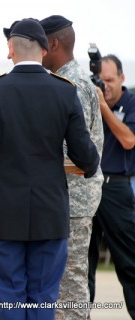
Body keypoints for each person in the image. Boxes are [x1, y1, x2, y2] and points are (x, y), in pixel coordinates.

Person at [0, 18, 100, 320]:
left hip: (4, 212)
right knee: (44, 296)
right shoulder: (64, 90)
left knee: (7, 295)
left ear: (10, 50)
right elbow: (86, 156)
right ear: (44, 50)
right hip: (50, 211)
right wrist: (89, 165)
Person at [39, 15, 104, 320]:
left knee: (71, 281)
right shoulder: (65, 80)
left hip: (73, 197)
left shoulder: (72, 84)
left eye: (40, 44)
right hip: (68, 196)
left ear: (53, 44)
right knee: (64, 280)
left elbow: (69, 148)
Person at [88, 54, 135, 320]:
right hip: (89, 184)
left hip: (116, 187)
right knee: (83, 263)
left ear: (122, 78)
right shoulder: (89, 103)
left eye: (110, 80)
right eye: (101, 81)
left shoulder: (131, 103)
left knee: (129, 261)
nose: (105, 85)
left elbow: (129, 140)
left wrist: (104, 107)